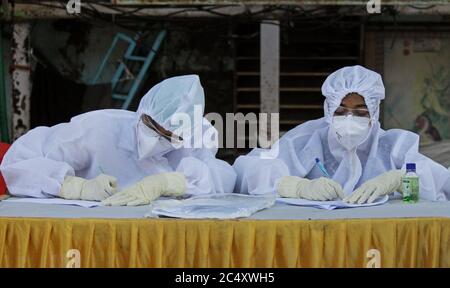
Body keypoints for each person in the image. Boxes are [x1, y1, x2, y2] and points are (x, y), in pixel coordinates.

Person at [0, 75, 236, 206]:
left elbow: (224, 178)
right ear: (143, 109)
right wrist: (74, 186)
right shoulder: (99, 129)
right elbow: (19, 161)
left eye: (168, 136)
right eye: (152, 125)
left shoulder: (192, 138)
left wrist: (172, 182)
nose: (157, 139)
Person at [233, 65, 450, 203]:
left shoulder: (392, 146)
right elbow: (248, 170)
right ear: (329, 110)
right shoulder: (307, 139)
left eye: (360, 111)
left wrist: (402, 180)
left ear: (373, 112)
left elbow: (439, 184)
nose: (349, 117)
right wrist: (297, 186)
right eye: (341, 110)